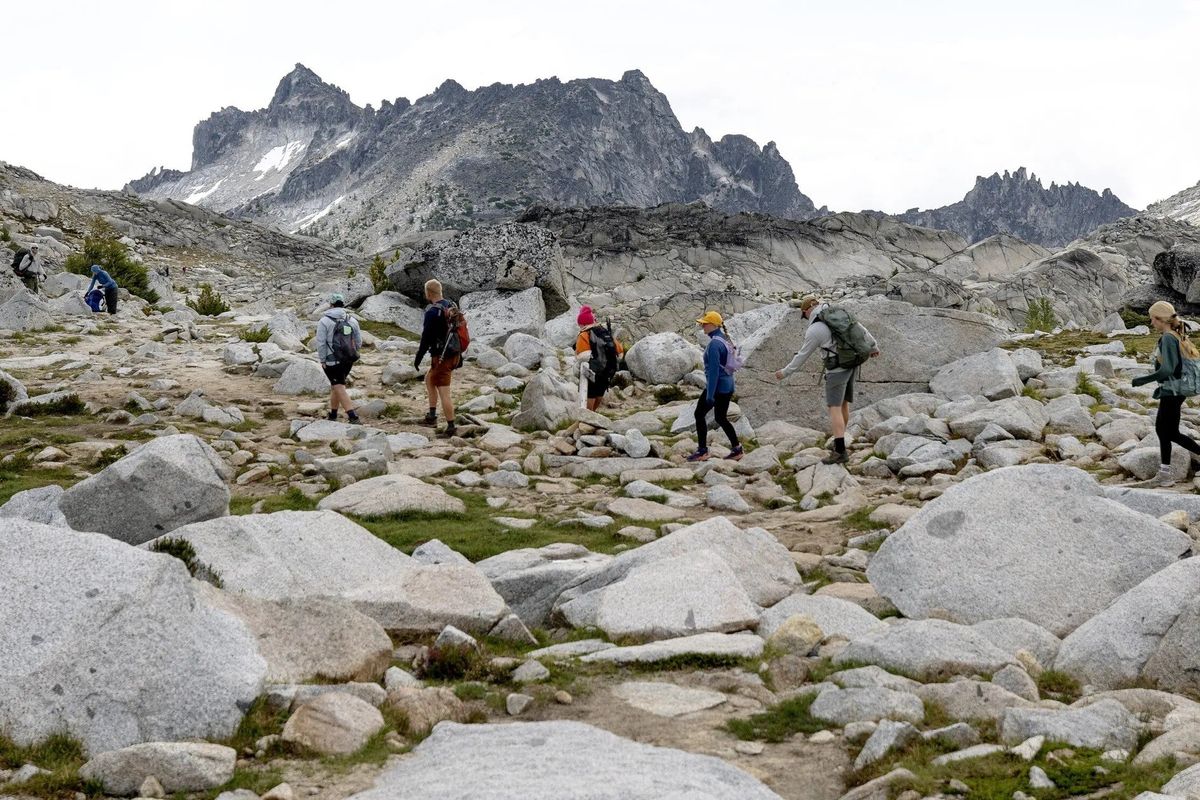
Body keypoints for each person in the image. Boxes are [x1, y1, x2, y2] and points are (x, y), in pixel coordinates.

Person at [775, 295, 880, 465]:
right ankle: (841, 442)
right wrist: (873, 346)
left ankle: (839, 451)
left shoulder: (815, 329)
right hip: (852, 363)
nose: (806, 318)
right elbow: (861, 329)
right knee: (844, 403)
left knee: (834, 408)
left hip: (837, 369)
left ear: (807, 309)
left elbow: (802, 355)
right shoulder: (840, 313)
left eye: (804, 314)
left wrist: (785, 372)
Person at [1131, 300, 1200, 486]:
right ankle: (1165, 473)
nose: (1151, 323)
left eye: (1153, 319)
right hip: (1176, 390)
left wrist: (1142, 380)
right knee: (1170, 432)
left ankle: (1165, 474)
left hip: (1172, 390)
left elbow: (1167, 369)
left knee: (1165, 431)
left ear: (1160, 319)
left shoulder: (1168, 337)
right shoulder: (1177, 334)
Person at [687, 310, 743, 462]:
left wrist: (710, 395)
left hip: (717, 387)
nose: (702, 327)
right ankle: (737, 448)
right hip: (728, 385)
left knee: (699, 414)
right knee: (720, 417)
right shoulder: (724, 340)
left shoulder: (714, 345)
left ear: (712, 325)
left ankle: (702, 451)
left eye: (704, 324)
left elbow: (713, 373)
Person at [414, 278, 458, 437]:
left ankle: (451, 427)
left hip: (441, 357)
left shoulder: (433, 312)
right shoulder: (450, 306)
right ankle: (431, 416)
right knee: (429, 379)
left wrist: (418, 357)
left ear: (428, 293)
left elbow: (426, 337)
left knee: (444, 392)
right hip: (453, 354)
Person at [315, 293, 362, 425]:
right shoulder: (352, 320)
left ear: (331, 304)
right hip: (348, 359)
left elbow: (321, 343)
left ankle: (353, 416)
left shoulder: (324, 321)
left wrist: (323, 360)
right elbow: (358, 341)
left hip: (332, 360)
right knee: (335, 386)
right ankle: (333, 414)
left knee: (338, 386)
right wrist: (353, 352)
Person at [575, 306, 624, 412]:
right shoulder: (604, 331)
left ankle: (588, 418)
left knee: (591, 393)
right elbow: (620, 352)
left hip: (595, 370)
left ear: (582, 323)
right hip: (609, 369)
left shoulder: (584, 334)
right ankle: (593, 415)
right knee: (600, 391)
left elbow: (583, 356)